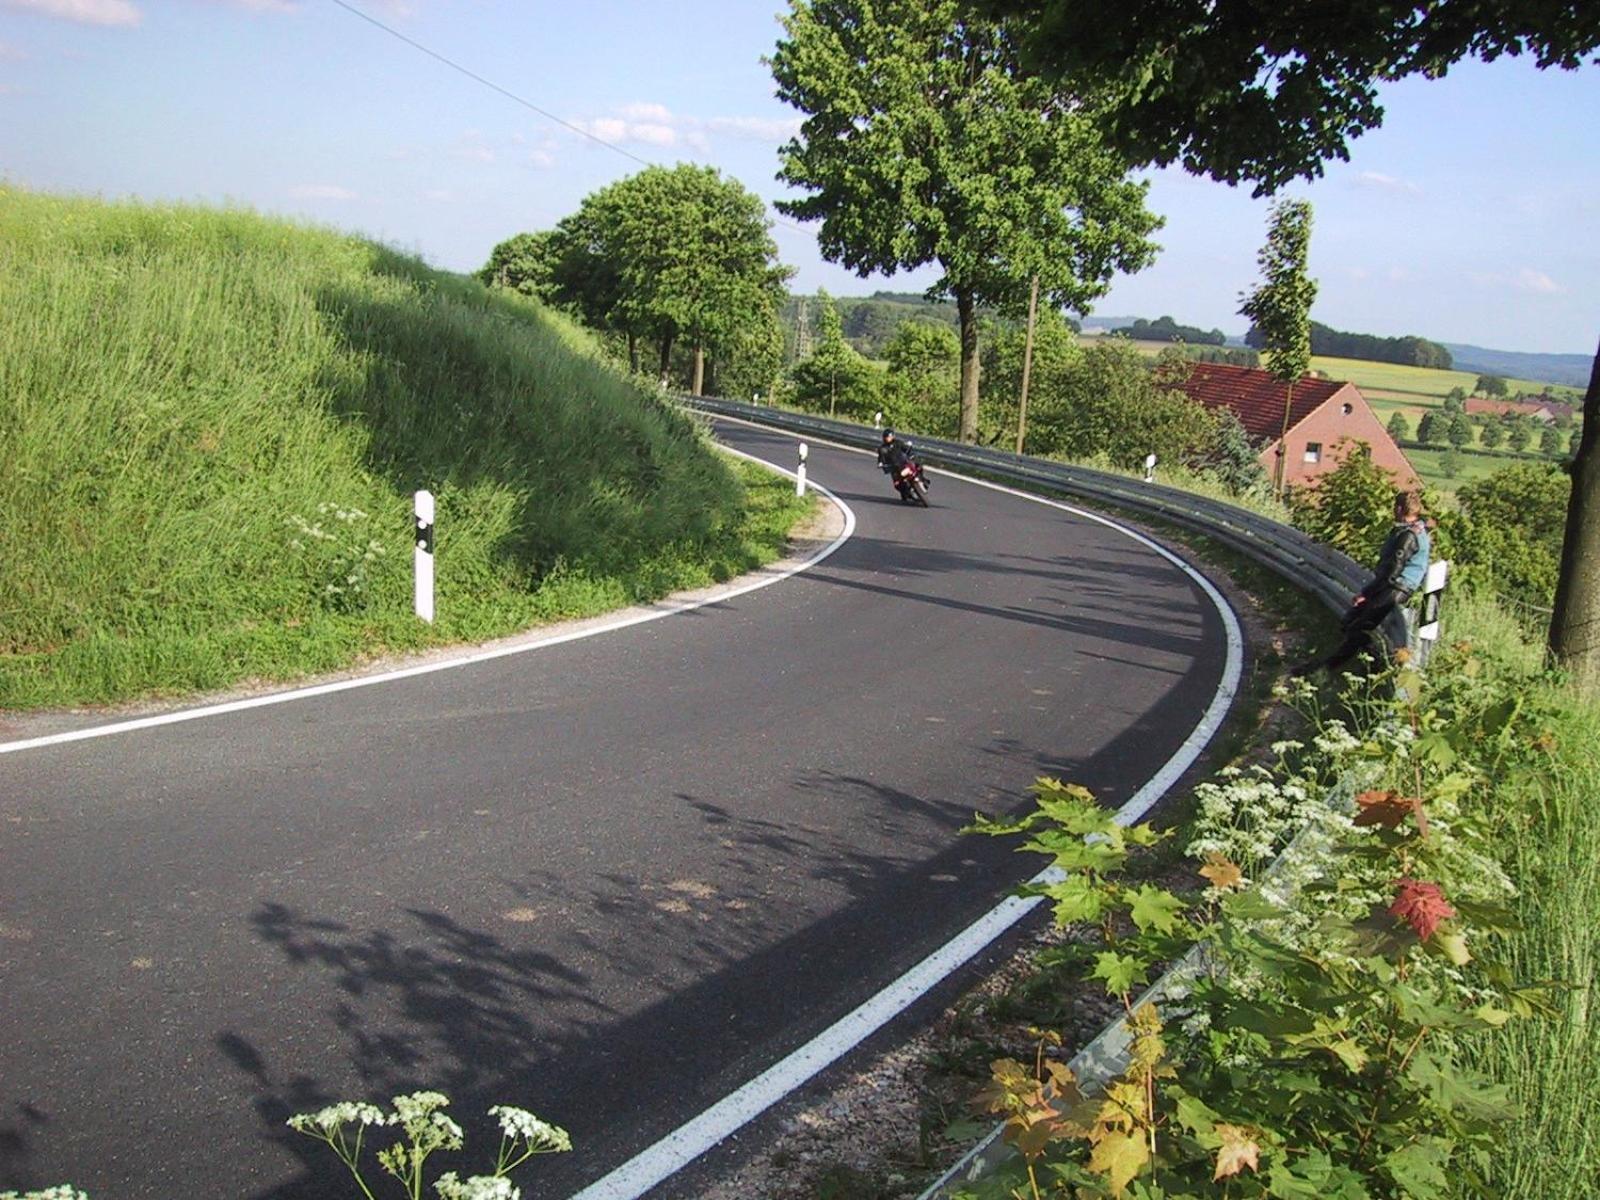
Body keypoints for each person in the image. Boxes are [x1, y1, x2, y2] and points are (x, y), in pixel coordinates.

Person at [1290, 489, 1431, 676]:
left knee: (1360, 627)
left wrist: (1367, 593)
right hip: (1397, 586)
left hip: (1396, 588)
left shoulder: (1407, 536)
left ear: (1398, 508)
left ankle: (1364, 668)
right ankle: (1337, 669)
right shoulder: (1416, 530)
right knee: (1353, 623)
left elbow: (1391, 571)